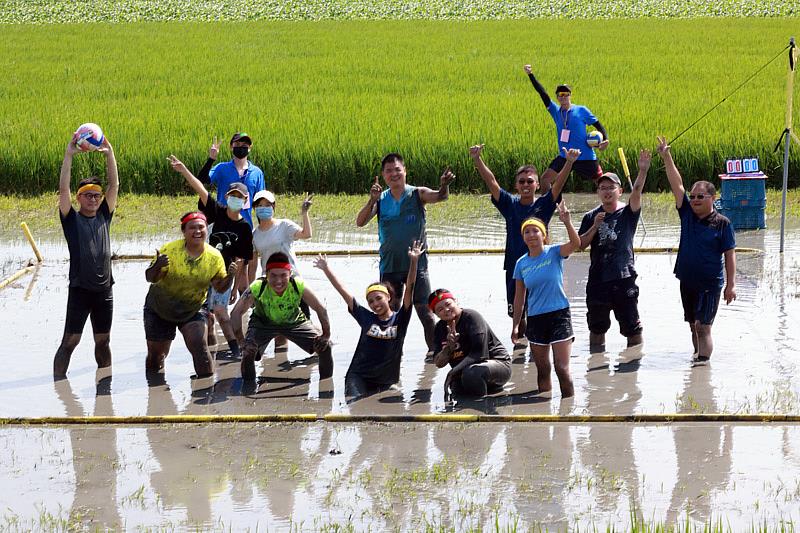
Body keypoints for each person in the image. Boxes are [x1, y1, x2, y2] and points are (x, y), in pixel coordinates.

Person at [469, 143, 580, 340]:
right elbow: (492, 181)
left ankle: (539, 346)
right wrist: (477, 160)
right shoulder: (509, 204)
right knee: (518, 315)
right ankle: (520, 355)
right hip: (515, 265)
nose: (526, 185)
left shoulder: (544, 204)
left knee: (538, 310)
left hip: (540, 264)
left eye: (530, 182)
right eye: (522, 182)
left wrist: (569, 163)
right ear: (516, 186)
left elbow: (558, 185)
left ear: (537, 185)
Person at [355, 153, 455, 354]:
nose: (394, 174)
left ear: (405, 171)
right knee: (390, 313)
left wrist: (444, 185)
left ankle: (434, 352)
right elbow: (360, 221)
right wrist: (370, 200)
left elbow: (440, 196)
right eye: (389, 171)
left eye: (397, 169)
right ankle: (392, 353)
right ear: (383, 175)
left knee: (425, 312)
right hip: (390, 266)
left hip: (416, 265)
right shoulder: (380, 200)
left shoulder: (417, 194)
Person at [656, 136, 736, 363]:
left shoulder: (723, 223)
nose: (695, 200)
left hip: (710, 283)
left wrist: (731, 285)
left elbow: (729, 255)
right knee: (693, 326)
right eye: (692, 197)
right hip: (687, 280)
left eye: (700, 196)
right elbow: (676, 185)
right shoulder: (687, 215)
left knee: (703, 327)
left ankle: (702, 366)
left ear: (713, 198)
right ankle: (696, 362)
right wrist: (666, 156)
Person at [168, 155, 254, 358]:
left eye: (239, 197)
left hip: (224, 275)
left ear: (244, 201)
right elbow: (200, 189)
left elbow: (242, 261)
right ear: (227, 197)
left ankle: (236, 351)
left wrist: (235, 288)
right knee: (206, 316)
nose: (234, 199)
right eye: (232, 195)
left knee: (222, 314)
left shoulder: (244, 228)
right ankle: (210, 354)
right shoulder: (217, 211)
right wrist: (184, 170)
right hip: (203, 271)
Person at [314, 241, 423, 398]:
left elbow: (410, 289)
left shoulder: (401, 319)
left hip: (386, 380)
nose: (375, 304)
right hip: (359, 376)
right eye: (370, 301)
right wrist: (326, 269)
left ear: (389, 297)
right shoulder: (365, 317)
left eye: (378, 298)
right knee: (354, 405)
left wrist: (414, 261)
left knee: (393, 407)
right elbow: (343, 291)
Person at [54, 134, 119, 378]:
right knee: (70, 342)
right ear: (79, 197)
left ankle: (105, 391)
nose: (93, 199)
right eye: (88, 195)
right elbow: (63, 188)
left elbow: (114, 186)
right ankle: (58, 385)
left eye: (96, 196)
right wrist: (69, 155)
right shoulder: (71, 219)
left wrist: (110, 153)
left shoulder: (104, 215)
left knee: (103, 342)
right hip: (80, 290)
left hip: (104, 291)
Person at [144, 212, 238, 378]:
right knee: (156, 357)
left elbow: (220, 288)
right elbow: (150, 278)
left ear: (206, 230)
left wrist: (230, 277)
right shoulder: (170, 250)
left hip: (193, 309)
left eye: (201, 227)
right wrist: (157, 265)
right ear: (184, 231)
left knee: (199, 347)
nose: (197, 231)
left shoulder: (214, 257)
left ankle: (206, 392)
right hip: (160, 308)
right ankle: (154, 394)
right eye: (192, 228)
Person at [578, 150, 652, 352]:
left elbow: (636, 191)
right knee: (596, 328)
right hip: (598, 279)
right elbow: (580, 245)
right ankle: (596, 369)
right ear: (598, 192)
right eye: (602, 188)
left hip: (623, 277)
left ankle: (631, 371)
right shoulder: (590, 216)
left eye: (611, 187)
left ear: (619, 191)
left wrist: (643, 170)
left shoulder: (628, 213)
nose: (607, 191)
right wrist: (594, 226)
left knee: (633, 329)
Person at [511, 202, 581, 398]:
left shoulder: (554, 252)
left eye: (536, 231)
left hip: (559, 315)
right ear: (523, 238)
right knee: (543, 369)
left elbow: (576, 245)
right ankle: (544, 408)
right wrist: (516, 325)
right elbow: (519, 298)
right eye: (527, 232)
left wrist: (567, 222)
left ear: (544, 235)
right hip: (535, 318)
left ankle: (568, 409)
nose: (532, 235)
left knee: (562, 368)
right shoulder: (521, 263)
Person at [239, 252, 333, 381]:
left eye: (283, 275)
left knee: (325, 347)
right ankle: (247, 388)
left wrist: (326, 335)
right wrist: (241, 342)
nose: (278, 281)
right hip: (263, 323)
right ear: (266, 275)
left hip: (294, 322)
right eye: (273, 276)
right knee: (248, 351)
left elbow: (320, 308)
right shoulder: (257, 286)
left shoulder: (298, 284)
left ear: (290, 274)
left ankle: (326, 386)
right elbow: (235, 314)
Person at [524, 64, 610, 191]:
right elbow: (542, 93)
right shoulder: (555, 111)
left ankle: (611, 207)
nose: (563, 96)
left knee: (603, 184)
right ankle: (549, 207)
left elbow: (598, 125)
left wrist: (605, 140)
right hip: (565, 155)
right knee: (545, 179)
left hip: (584, 156)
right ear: (557, 97)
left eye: (566, 94)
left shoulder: (581, 110)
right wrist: (531, 75)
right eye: (560, 94)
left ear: (570, 95)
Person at [430, 289, 512, 399]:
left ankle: (483, 404)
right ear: (436, 314)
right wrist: (449, 348)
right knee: (456, 389)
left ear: (455, 301)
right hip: (464, 370)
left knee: (472, 373)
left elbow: (479, 354)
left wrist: (452, 372)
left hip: (497, 365)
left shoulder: (472, 317)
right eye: (440, 309)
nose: (446, 310)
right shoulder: (439, 328)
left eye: (448, 304)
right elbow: (439, 363)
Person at [197, 134, 265, 227]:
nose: (240, 147)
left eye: (244, 145)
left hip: (245, 225)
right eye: (237, 144)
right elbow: (202, 180)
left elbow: (260, 202)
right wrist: (211, 159)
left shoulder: (257, 173)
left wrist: (263, 228)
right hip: (222, 222)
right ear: (231, 147)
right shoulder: (221, 168)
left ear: (250, 147)